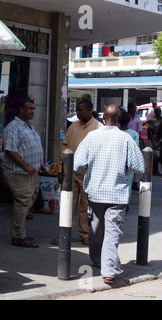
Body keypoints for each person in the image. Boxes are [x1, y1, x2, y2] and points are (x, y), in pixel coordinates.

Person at [74, 104, 144, 284]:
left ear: (103, 118)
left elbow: (78, 164)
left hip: (96, 191)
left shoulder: (92, 137)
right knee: (112, 232)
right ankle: (109, 270)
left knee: (96, 229)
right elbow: (139, 167)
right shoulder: (126, 139)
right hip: (116, 193)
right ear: (119, 119)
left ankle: (99, 261)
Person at [52, 99, 103, 246]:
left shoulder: (99, 127)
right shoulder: (73, 126)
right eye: (77, 110)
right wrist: (61, 169)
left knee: (86, 206)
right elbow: (64, 148)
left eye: (81, 110)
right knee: (68, 203)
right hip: (71, 171)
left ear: (89, 110)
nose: (78, 113)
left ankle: (85, 233)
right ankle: (64, 232)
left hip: (89, 172)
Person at [2, 97, 43, 248]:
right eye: (29, 108)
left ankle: (19, 232)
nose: (32, 111)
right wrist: (25, 165)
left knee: (28, 200)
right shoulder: (13, 127)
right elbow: (11, 149)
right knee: (23, 202)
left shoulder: (29, 125)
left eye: (33, 108)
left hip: (31, 172)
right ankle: (18, 236)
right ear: (21, 109)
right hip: (19, 172)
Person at [147, 106, 162, 175]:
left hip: (160, 140)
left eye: (160, 111)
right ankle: (155, 171)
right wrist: (153, 141)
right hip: (155, 140)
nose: (159, 112)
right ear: (155, 112)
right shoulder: (152, 120)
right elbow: (149, 130)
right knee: (155, 156)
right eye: (157, 111)